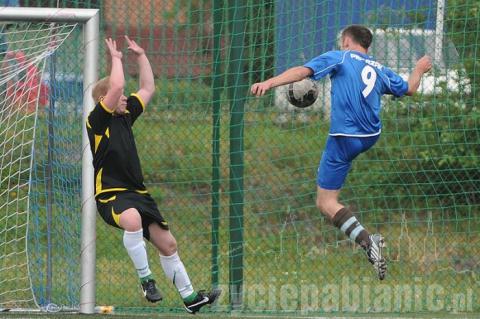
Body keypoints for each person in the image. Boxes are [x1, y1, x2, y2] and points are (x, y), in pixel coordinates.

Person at [251, 25, 432, 280]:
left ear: (347, 41)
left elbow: (303, 71)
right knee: (331, 195)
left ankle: (369, 243)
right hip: (369, 136)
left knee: (326, 203)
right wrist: (419, 68)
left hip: (343, 138)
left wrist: (270, 82)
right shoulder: (379, 68)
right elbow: (410, 88)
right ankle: (371, 243)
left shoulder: (340, 56)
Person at [86, 36, 221, 313]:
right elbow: (118, 85)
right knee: (132, 219)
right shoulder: (97, 122)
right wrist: (116, 59)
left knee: (167, 244)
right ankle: (146, 280)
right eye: (117, 95)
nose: (124, 96)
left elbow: (148, 87)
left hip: (138, 194)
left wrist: (142, 56)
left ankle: (191, 298)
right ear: (104, 99)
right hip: (111, 195)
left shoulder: (125, 116)